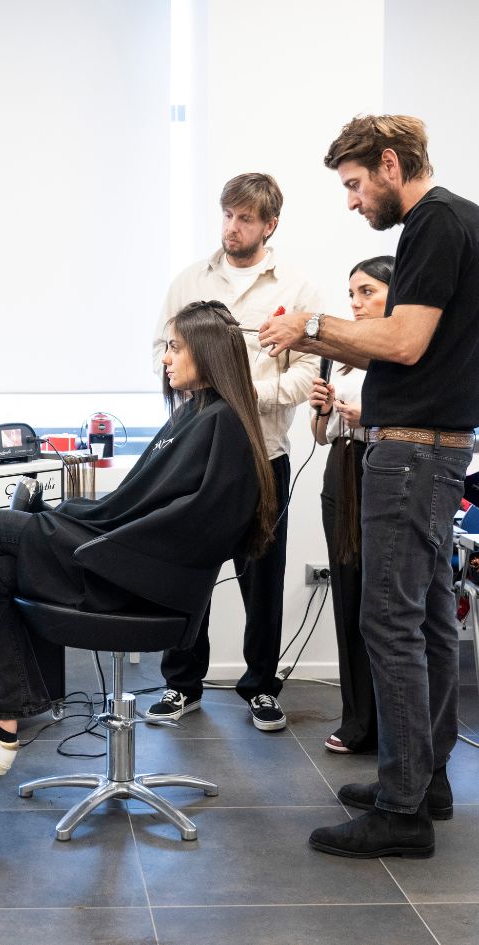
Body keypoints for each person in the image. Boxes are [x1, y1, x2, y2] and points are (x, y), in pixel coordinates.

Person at [0, 301, 277, 775]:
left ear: (208, 350)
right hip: (117, 562)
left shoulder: (223, 425)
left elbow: (185, 530)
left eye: (175, 347)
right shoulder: (196, 415)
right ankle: (0, 727)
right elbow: (133, 505)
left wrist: (91, 539)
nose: (165, 358)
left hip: (132, 583)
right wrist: (75, 519)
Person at [259, 115, 479, 859]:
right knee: (427, 620)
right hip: (436, 449)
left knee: (388, 620)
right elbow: (425, 343)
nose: (352, 202)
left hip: (412, 452)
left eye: (354, 185)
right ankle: (426, 781)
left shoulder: (434, 223)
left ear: (390, 163)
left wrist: (311, 325)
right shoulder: (460, 221)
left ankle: (401, 809)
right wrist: (328, 339)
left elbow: (404, 341)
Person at [148, 173, 322, 732]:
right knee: (186, 569)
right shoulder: (189, 281)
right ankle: (181, 684)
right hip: (197, 456)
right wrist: (206, 394)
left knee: (262, 577)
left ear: (270, 225)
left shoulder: (297, 289)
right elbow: (162, 352)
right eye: (227, 215)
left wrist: (243, 397)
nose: (232, 227)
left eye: (245, 218)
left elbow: (307, 374)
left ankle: (261, 687)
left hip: (262, 456)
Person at [308, 256, 394, 756]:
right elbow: (320, 436)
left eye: (367, 292)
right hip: (340, 471)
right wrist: (322, 412)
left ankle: (392, 723)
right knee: (347, 595)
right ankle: (357, 719)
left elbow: (415, 423)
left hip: (383, 469)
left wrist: (371, 417)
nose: (357, 304)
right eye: (352, 295)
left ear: (395, 293)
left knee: (381, 603)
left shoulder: (404, 352)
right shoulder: (339, 354)